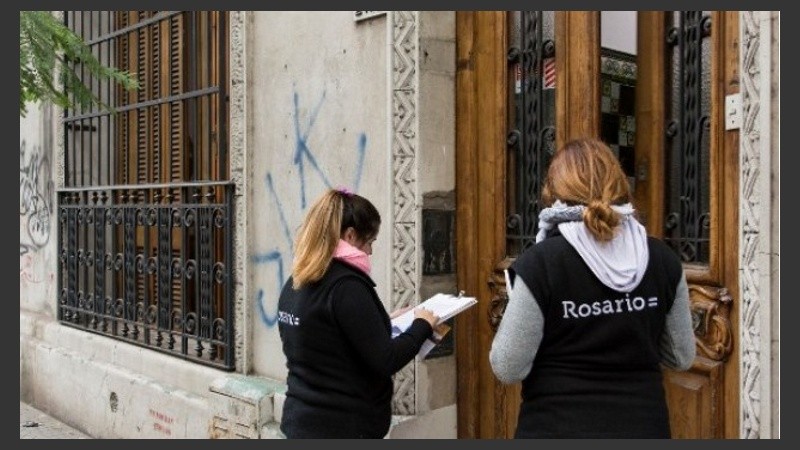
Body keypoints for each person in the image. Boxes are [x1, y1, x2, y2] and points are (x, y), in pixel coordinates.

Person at [489, 138, 696, 438]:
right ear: (619, 183)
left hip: (557, 427)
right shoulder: (663, 259)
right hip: (643, 427)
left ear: (555, 192)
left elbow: (508, 366)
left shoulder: (541, 263)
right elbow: (681, 356)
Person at [277, 188, 440, 439]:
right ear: (351, 235)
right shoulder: (346, 286)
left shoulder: (298, 280)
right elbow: (386, 360)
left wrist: (383, 322)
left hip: (302, 422)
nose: (371, 252)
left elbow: (325, 338)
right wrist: (422, 325)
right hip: (342, 427)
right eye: (370, 242)